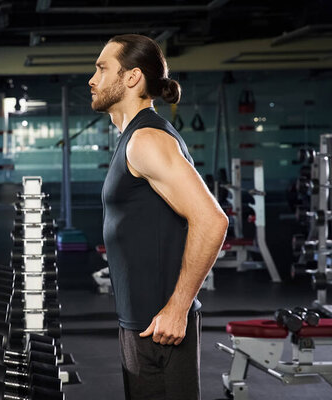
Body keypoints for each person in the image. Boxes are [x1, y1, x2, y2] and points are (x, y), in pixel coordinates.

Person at [90, 34, 228, 400]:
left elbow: (212, 220)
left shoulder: (147, 140)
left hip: (162, 329)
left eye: (102, 69)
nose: (92, 79)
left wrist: (177, 309)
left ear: (132, 77)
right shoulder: (133, 138)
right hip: (142, 325)